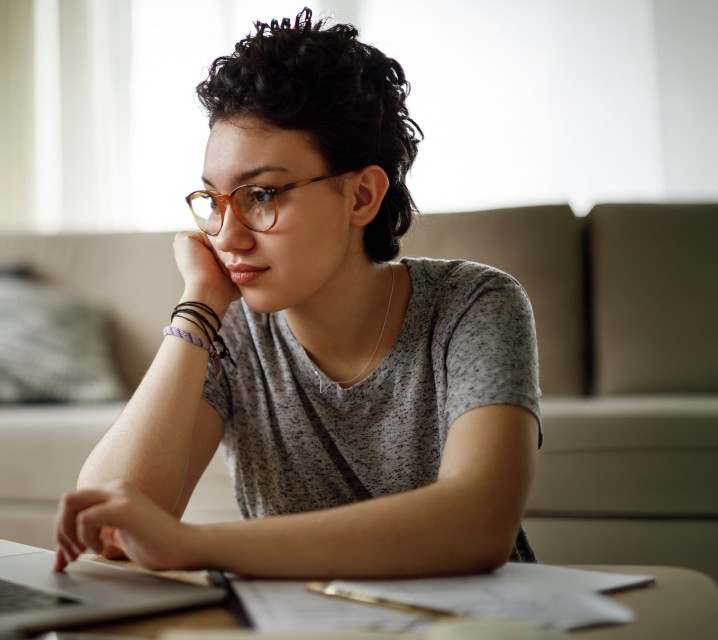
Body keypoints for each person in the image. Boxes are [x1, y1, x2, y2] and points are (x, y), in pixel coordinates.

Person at [54, 7, 541, 579]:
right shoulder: (227, 328)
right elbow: (109, 527)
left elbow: (476, 526)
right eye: (214, 199)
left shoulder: (475, 307)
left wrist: (196, 545)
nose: (227, 235)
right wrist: (199, 304)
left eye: (260, 195)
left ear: (361, 196)